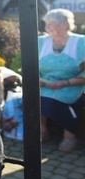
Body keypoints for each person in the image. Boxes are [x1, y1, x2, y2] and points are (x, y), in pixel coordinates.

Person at [39, 8, 85, 152]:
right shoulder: (40, 41)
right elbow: (30, 66)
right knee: (31, 97)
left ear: (64, 24)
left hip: (72, 85)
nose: (47, 27)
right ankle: (42, 131)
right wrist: (36, 79)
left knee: (52, 101)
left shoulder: (81, 42)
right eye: (46, 24)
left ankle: (70, 135)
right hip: (45, 84)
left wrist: (65, 83)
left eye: (50, 24)